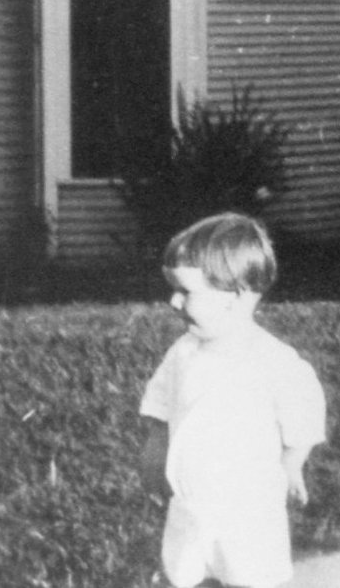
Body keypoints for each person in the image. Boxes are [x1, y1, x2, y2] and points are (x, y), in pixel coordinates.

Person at [140, 212, 326, 588]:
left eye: (186, 291)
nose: (174, 301)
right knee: (186, 575)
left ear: (237, 295)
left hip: (249, 512)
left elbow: (304, 418)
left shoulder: (273, 360)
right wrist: (156, 450)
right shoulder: (183, 352)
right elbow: (161, 406)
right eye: (172, 289)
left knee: (249, 576)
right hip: (190, 505)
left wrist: (292, 465)